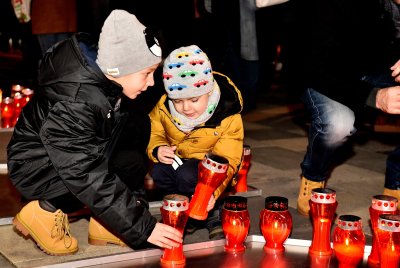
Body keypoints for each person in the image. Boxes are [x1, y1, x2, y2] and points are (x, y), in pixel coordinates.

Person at [7, 9, 183, 256]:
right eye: (146, 73)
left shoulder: (107, 80)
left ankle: (105, 224)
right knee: (91, 176)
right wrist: (143, 227)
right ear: (117, 69)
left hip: (75, 156)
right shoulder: (75, 101)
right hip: (37, 167)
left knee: (137, 132)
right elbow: (84, 172)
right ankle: (44, 211)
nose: (152, 82)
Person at [286, 0, 400, 215]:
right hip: (319, 74)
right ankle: (314, 177)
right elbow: (312, 65)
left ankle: (396, 181)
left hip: (371, 68)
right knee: (338, 124)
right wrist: (373, 96)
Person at [146, 45, 244, 239]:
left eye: (193, 100)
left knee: (187, 175)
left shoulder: (227, 114)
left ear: (208, 91)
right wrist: (157, 149)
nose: (186, 108)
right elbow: (154, 131)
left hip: (211, 173)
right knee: (159, 172)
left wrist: (213, 192)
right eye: (178, 101)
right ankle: (183, 212)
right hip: (181, 162)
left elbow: (229, 160)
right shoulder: (164, 106)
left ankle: (213, 212)